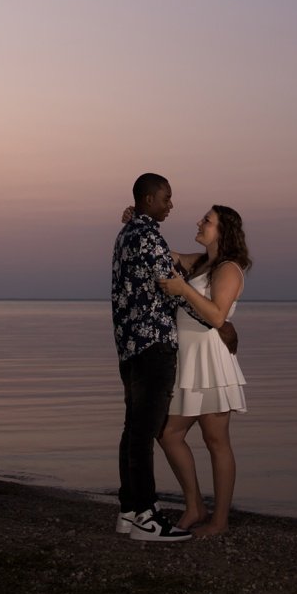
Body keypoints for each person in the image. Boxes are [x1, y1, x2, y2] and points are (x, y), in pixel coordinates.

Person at [110, 173, 195, 541]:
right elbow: (173, 290)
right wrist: (214, 320)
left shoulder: (126, 235)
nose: (171, 204)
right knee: (143, 433)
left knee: (133, 430)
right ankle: (146, 514)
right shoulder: (148, 236)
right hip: (153, 346)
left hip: (129, 348)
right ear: (148, 199)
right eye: (166, 198)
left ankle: (130, 510)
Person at [157, 205, 250, 536]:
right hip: (188, 360)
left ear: (222, 231)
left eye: (207, 221)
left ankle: (220, 521)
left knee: (216, 442)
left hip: (210, 361)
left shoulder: (229, 269)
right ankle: (195, 505)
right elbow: (166, 254)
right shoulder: (201, 262)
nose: (199, 223)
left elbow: (217, 317)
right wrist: (138, 222)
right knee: (169, 434)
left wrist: (183, 289)